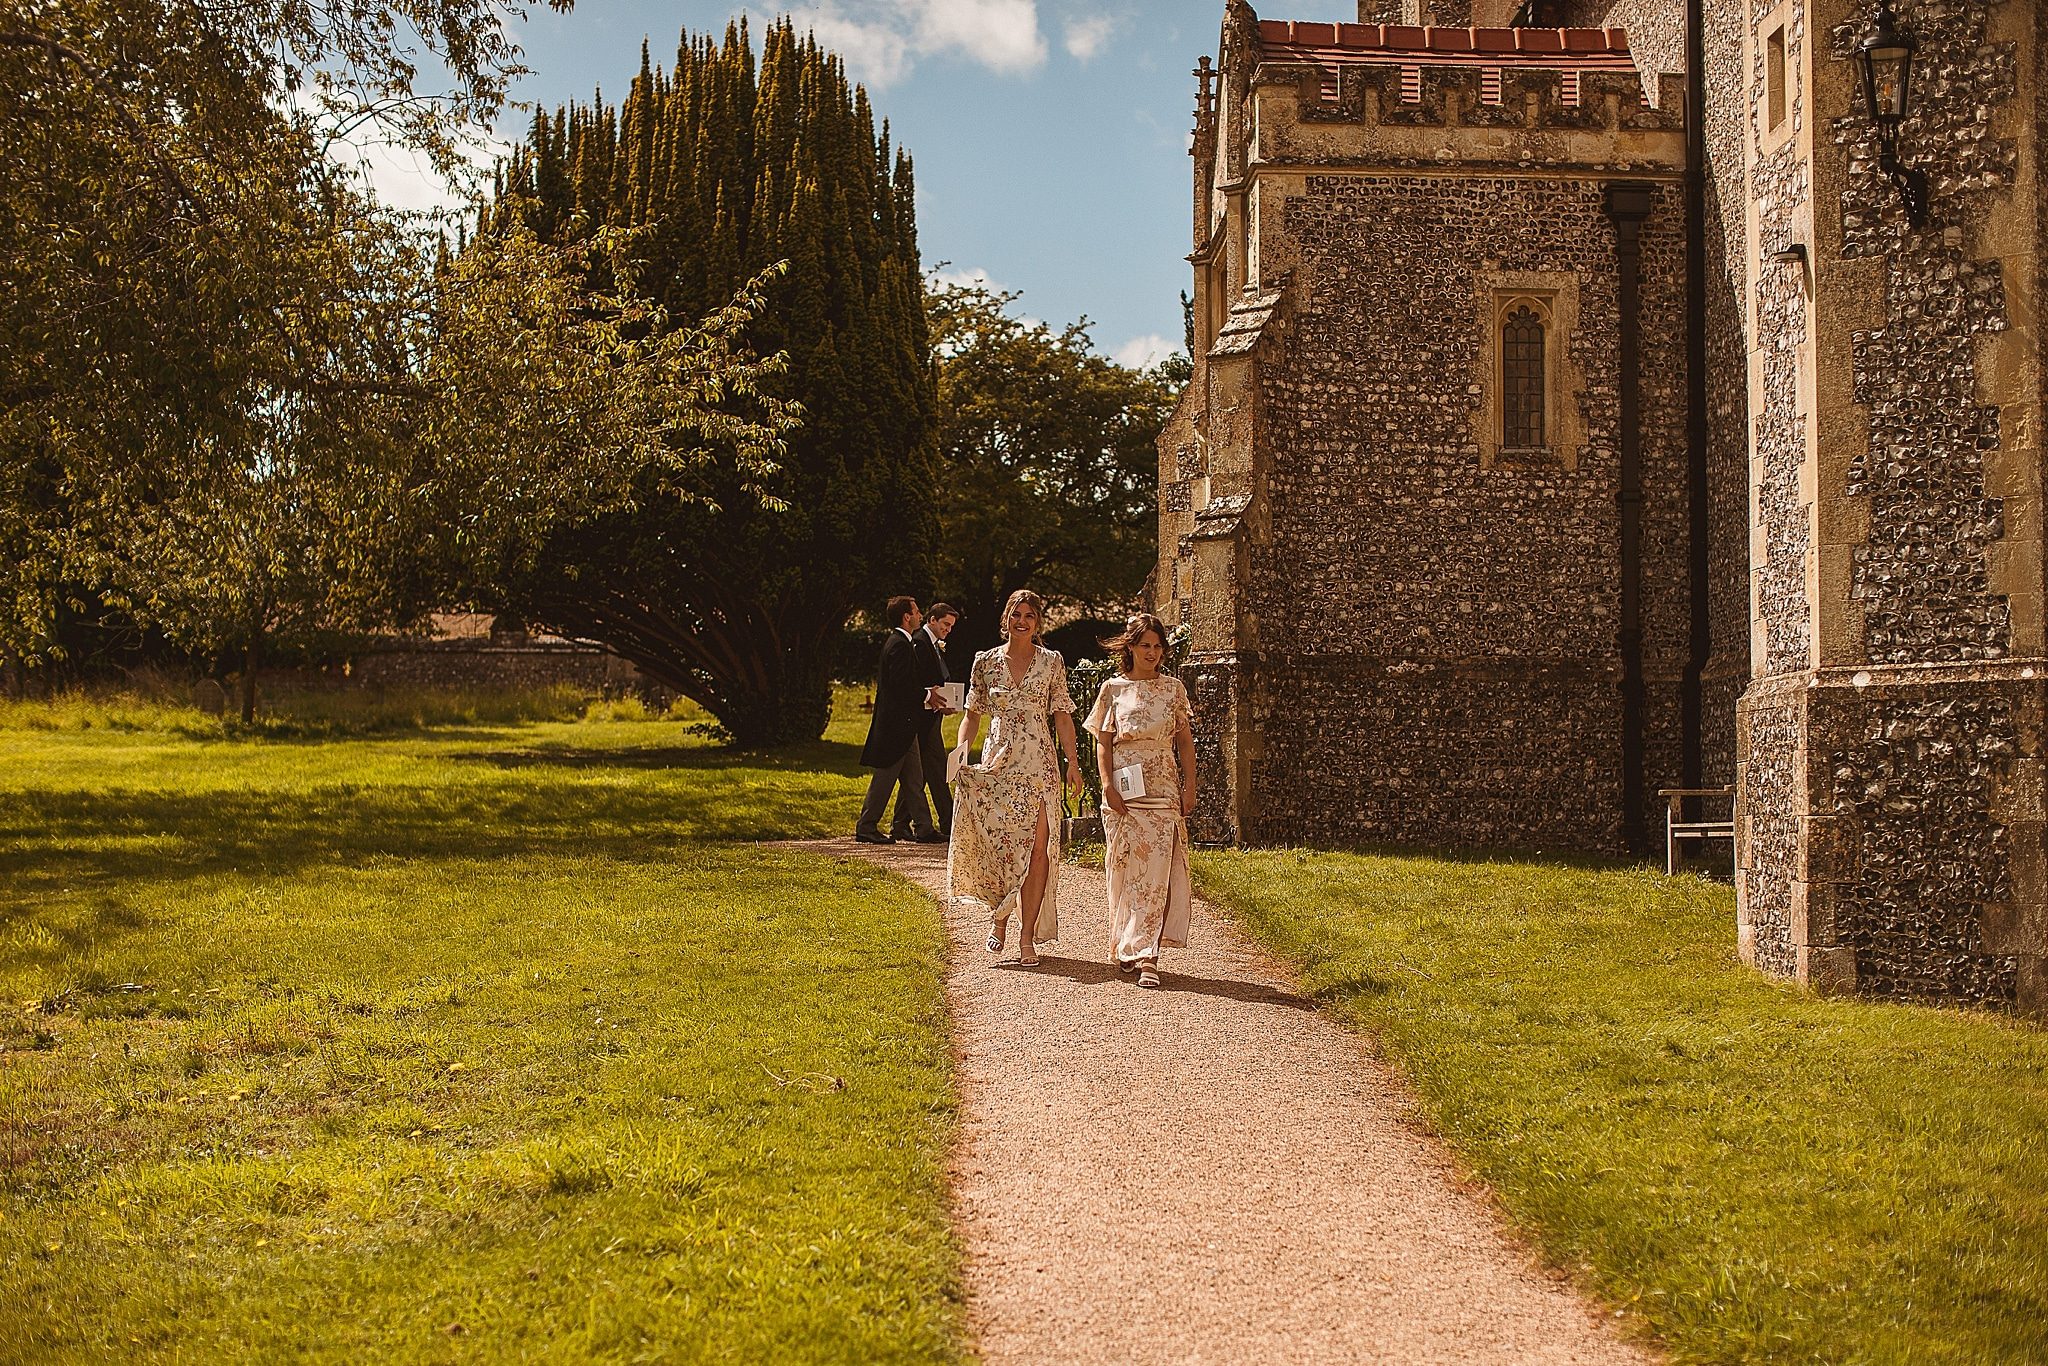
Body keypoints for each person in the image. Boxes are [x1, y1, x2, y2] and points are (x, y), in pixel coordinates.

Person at [949, 589, 1083, 967]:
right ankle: (1000, 917)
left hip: (1039, 763)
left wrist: (1072, 762)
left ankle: (1027, 936)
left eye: (1029, 615)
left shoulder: (1051, 662)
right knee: (1005, 845)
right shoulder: (985, 663)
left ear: (1037, 622)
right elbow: (972, 714)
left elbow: (1062, 715)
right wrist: (962, 752)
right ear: (1005, 619)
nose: (1021, 621)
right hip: (999, 763)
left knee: (1039, 848)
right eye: (1015, 614)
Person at [1082, 612, 1196, 989]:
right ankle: (1126, 943)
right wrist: (1107, 785)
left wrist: (1189, 786)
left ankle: (1149, 954)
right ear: (1129, 647)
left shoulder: (1173, 689)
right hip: (1124, 788)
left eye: (1157, 646)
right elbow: (1103, 742)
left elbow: (1184, 743)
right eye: (1144, 645)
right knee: (1126, 867)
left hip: (1162, 785)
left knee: (1157, 870)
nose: (1152, 652)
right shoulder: (1112, 689)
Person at [856, 596, 943, 844]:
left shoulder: (901, 643)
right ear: (906, 616)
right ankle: (866, 826)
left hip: (906, 725)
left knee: (914, 779)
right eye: (916, 612)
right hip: (895, 726)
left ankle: (924, 828)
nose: (920, 616)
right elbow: (901, 686)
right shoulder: (899, 645)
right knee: (885, 778)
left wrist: (926, 693)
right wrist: (928, 694)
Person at [906, 603, 961, 836]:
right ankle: (949, 823)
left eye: (951, 626)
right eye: (946, 624)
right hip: (922, 718)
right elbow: (915, 681)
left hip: (931, 715)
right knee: (937, 769)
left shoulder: (931, 643)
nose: (948, 629)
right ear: (932, 620)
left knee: (921, 772)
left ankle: (900, 824)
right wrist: (935, 698)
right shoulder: (919, 642)